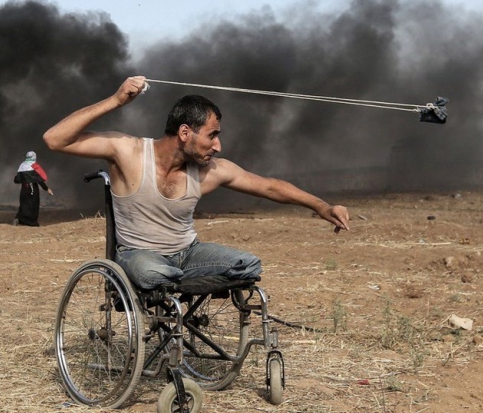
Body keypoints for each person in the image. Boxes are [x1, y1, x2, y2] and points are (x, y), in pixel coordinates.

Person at [43, 76, 350, 290]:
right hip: (139, 255)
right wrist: (115, 100)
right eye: (212, 135)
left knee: (248, 265)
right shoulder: (129, 152)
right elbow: (54, 139)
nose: (218, 146)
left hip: (188, 255)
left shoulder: (209, 171)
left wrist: (321, 207)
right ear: (185, 132)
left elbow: (269, 186)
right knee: (154, 274)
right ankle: (176, 283)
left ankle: (179, 282)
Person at [13, 151, 54, 226]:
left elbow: (16, 180)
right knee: (33, 205)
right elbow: (39, 180)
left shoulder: (22, 165)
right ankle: (32, 223)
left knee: (24, 205)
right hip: (33, 189)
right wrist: (46, 188)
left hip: (24, 189)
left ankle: (19, 219)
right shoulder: (34, 166)